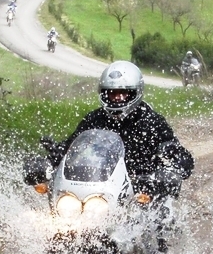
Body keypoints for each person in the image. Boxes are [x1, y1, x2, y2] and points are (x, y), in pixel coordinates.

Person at [44, 60, 194, 199]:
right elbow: (72, 146)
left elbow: (180, 154)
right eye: (112, 93)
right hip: (100, 188)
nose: (116, 98)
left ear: (135, 92)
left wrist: (173, 170)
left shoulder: (152, 122)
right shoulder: (94, 119)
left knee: (159, 221)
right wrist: (49, 161)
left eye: (122, 93)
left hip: (140, 193)